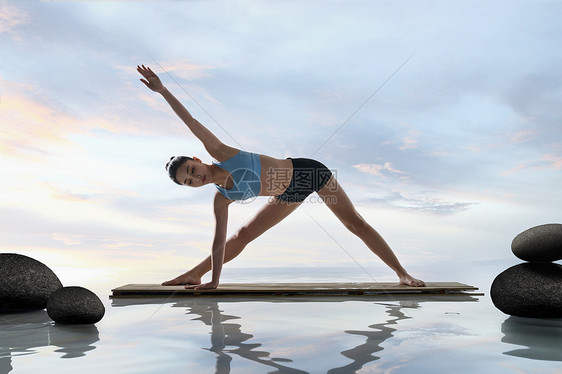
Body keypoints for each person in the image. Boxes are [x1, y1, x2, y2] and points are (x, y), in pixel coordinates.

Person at [137, 65, 425, 290]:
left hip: (308, 172)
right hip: (288, 194)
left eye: (190, 170)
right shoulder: (221, 199)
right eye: (188, 181)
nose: (194, 178)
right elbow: (219, 241)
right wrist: (216, 281)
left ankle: (402, 274)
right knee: (242, 235)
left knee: (355, 223)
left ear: (197, 160)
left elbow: (191, 122)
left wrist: (163, 91)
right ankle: (196, 275)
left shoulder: (220, 151)